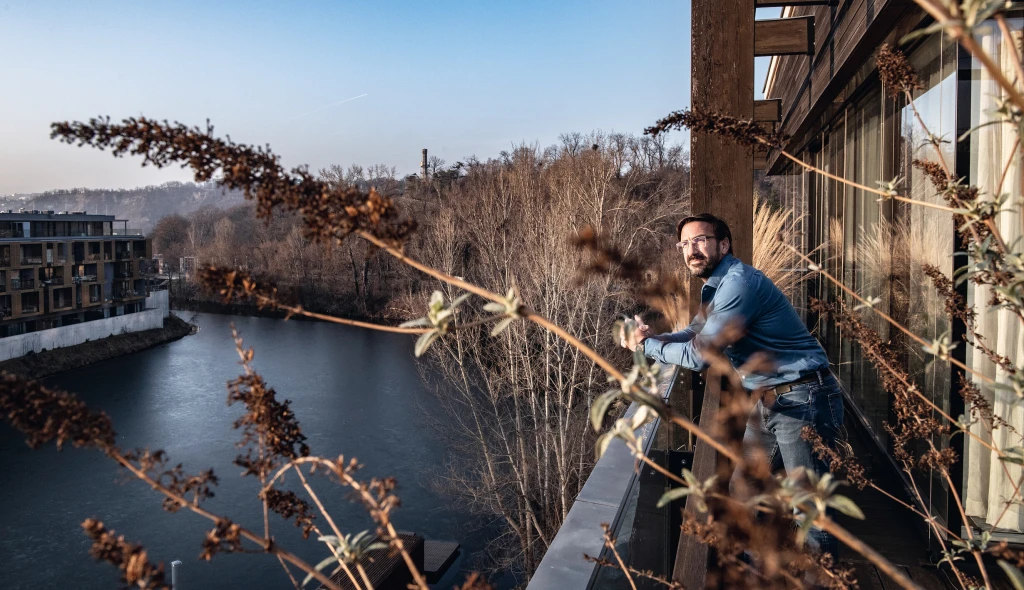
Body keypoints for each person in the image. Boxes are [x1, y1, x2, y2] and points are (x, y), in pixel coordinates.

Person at [621, 212, 842, 558]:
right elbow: (694, 332)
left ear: (723, 244)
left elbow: (700, 355)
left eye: (700, 241)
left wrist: (646, 346)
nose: (691, 250)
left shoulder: (739, 284)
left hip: (802, 399)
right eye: (685, 244)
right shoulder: (718, 285)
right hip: (770, 400)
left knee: (810, 510)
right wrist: (656, 338)